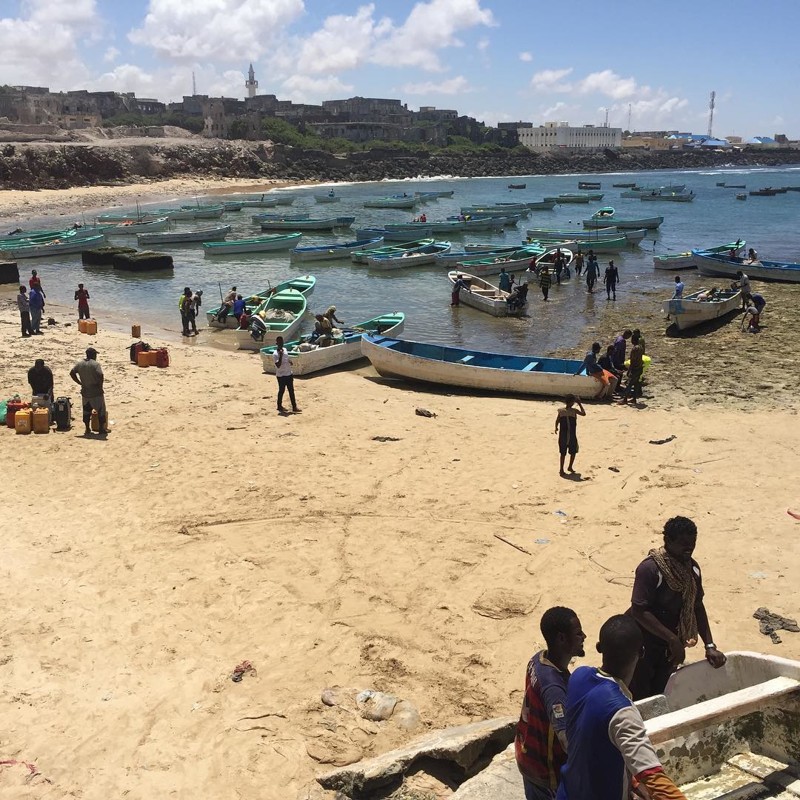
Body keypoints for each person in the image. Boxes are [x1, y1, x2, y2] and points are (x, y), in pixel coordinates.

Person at [556, 615, 689, 800]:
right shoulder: (623, 713)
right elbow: (656, 780)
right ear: (642, 652)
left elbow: (590, 743)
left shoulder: (578, 677)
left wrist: (632, 782)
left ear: (599, 648)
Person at [627, 516, 726, 701]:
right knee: (639, 695)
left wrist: (710, 645)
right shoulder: (650, 570)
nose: (689, 548)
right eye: (683, 543)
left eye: (693, 543)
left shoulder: (693, 571)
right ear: (669, 541)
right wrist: (672, 639)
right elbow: (639, 611)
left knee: (662, 693)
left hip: (670, 648)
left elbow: (697, 605)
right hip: (643, 645)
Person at [515, 607, 586, 800]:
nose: (584, 636)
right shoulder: (554, 688)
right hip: (545, 771)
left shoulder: (537, 660)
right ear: (562, 639)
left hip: (526, 753)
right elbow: (566, 740)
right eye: (578, 633)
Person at [69, 347, 109, 436]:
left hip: (85, 392)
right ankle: (101, 429)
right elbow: (100, 375)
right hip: (96, 392)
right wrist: (100, 386)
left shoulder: (80, 364)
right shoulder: (95, 364)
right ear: (94, 355)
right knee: (101, 410)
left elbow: (72, 373)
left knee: (86, 411)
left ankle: (87, 428)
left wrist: (79, 382)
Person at [555, 396, 586, 476]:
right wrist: (580, 404)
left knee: (563, 453)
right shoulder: (574, 411)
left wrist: (556, 427)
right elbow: (584, 413)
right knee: (573, 452)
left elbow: (557, 420)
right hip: (571, 435)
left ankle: (562, 469)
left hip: (563, 435)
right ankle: (569, 467)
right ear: (572, 403)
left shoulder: (561, 411)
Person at [273, 336, 300, 414]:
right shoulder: (275, 354)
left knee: (291, 390)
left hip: (288, 373)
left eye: (282, 343)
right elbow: (278, 365)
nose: (281, 344)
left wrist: (289, 361)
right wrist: (280, 356)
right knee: (281, 390)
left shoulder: (285, 350)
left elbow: (286, 358)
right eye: (279, 343)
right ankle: (279, 405)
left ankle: (294, 407)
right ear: (277, 343)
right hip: (281, 375)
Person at [622, 333, 645, 404]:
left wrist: (629, 370)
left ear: (633, 340)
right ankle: (634, 398)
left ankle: (625, 399)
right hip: (640, 367)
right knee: (636, 384)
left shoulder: (635, 348)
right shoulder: (641, 347)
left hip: (635, 368)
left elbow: (632, 360)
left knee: (629, 383)